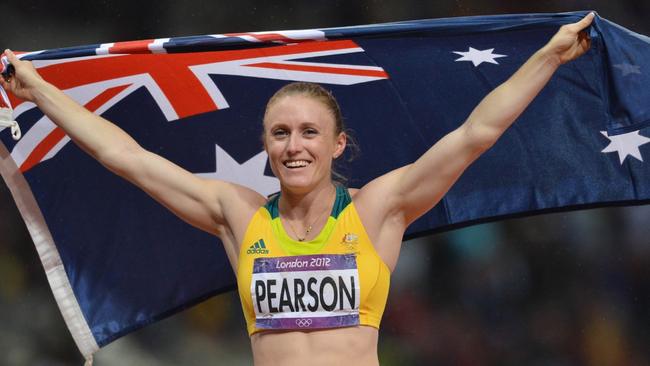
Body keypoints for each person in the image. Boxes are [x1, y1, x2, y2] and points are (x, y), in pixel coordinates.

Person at [0, 12, 595, 366]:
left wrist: (547, 57)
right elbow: (124, 156)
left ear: (338, 144)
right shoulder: (236, 214)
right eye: (280, 133)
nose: (294, 146)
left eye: (310, 132)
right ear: (264, 146)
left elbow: (475, 134)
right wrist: (38, 91)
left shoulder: (377, 209)